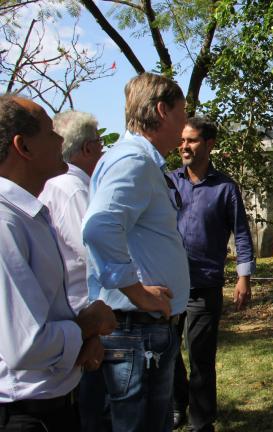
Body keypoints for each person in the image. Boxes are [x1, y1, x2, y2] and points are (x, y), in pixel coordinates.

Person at [0, 95, 116, 432]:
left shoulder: (29, 214)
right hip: (24, 411)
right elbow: (27, 345)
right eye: (51, 133)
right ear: (23, 146)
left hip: (53, 403)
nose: (61, 141)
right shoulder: (6, 223)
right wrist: (87, 326)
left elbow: (49, 308)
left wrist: (84, 334)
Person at [82, 73, 190, 432]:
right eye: (182, 114)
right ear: (161, 110)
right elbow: (99, 228)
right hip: (135, 330)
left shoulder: (138, 161)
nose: (185, 125)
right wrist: (138, 293)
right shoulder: (134, 161)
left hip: (143, 330)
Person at [170, 116, 256, 431]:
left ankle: (201, 420)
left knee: (201, 358)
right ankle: (178, 404)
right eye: (182, 140)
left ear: (209, 144)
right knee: (169, 353)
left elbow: (242, 235)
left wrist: (243, 276)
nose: (184, 146)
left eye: (191, 140)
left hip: (203, 285)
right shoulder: (168, 182)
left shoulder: (225, 188)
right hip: (166, 286)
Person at [37, 110, 111, 432]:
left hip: (76, 319)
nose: (103, 148)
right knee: (95, 409)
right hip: (84, 312)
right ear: (86, 149)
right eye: (99, 141)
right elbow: (94, 251)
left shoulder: (65, 185)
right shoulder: (73, 189)